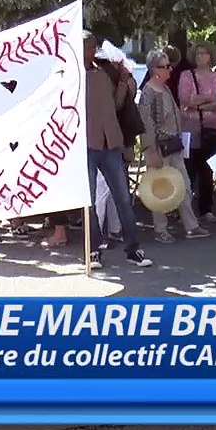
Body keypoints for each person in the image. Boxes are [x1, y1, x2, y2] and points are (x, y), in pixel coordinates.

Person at [84, 32, 151, 269]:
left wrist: (123, 81)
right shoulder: (72, 76)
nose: (92, 52)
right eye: (88, 47)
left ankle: (133, 249)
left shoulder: (104, 72)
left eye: (93, 47)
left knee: (123, 199)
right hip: (87, 145)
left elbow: (116, 105)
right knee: (89, 202)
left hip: (111, 142)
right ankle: (92, 251)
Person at [138, 49, 210, 244]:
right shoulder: (148, 93)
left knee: (183, 186)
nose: (170, 69)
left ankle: (191, 226)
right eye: (165, 66)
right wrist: (151, 151)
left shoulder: (165, 88)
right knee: (159, 190)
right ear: (155, 70)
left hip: (174, 145)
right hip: (159, 147)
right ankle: (161, 230)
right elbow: (146, 124)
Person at [176, 43, 216, 223]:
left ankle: (206, 209)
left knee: (207, 170)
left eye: (203, 53)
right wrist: (208, 101)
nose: (200, 57)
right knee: (189, 169)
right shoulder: (187, 76)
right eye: (197, 53)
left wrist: (200, 101)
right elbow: (185, 99)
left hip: (213, 128)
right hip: (191, 128)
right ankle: (186, 211)